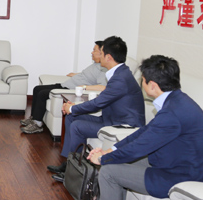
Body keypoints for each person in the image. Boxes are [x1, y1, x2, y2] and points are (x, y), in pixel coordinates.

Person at [75, 55, 203, 200]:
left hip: (177, 175)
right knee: (115, 160)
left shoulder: (173, 113)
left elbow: (140, 147)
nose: (141, 83)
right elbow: (144, 132)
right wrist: (112, 149)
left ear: (152, 85)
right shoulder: (177, 101)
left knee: (109, 171)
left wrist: (105, 158)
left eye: (142, 80)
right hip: (172, 162)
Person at [47, 36, 145, 182]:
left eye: (102, 52)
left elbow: (99, 103)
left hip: (122, 126)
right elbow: (103, 100)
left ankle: (75, 171)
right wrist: (74, 108)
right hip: (110, 119)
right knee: (71, 117)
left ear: (108, 57)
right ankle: (70, 163)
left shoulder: (120, 78)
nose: (99, 55)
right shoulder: (119, 73)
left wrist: (73, 108)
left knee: (77, 125)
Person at [20, 41, 107, 134]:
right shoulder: (96, 64)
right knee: (37, 89)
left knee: (42, 94)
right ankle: (33, 118)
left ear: (101, 53)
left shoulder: (103, 69)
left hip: (69, 90)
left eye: (94, 50)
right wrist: (76, 74)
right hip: (66, 85)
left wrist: (85, 87)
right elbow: (87, 75)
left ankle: (37, 124)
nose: (92, 52)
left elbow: (103, 87)